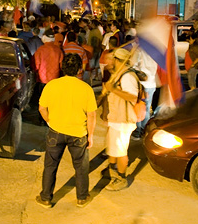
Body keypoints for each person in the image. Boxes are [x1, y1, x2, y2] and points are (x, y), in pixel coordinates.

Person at [35, 53, 97, 209]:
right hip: (78, 134)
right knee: (81, 167)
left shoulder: (51, 85)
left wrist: (50, 121)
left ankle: (46, 198)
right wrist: (91, 135)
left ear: (63, 68)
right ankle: (82, 198)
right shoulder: (86, 89)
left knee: (50, 166)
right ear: (79, 70)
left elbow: (42, 108)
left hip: (55, 131)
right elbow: (91, 115)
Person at [103, 48, 140, 191]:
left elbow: (132, 97)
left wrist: (112, 89)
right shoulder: (119, 74)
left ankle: (121, 178)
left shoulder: (127, 77)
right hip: (117, 118)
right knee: (113, 148)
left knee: (121, 151)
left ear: (118, 60)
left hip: (123, 120)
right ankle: (112, 172)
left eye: (112, 58)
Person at [131, 47, 157, 140]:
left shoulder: (139, 51)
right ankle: (145, 131)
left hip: (142, 84)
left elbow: (132, 64)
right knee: (146, 109)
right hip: (152, 83)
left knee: (138, 108)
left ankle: (137, 132)